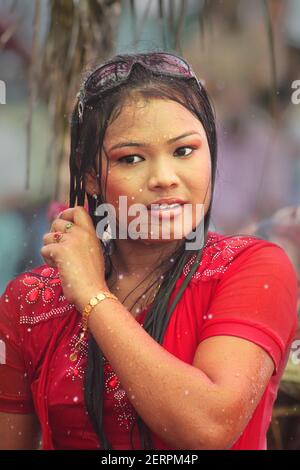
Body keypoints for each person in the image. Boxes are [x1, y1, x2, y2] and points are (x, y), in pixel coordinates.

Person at [0, 51, 297, 451]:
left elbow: (208, 427)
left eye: (184, 151)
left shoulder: (254, 268)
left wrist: (92, 294)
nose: (163, 178)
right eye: (132, 158)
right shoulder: (29, 301)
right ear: (90, 175)